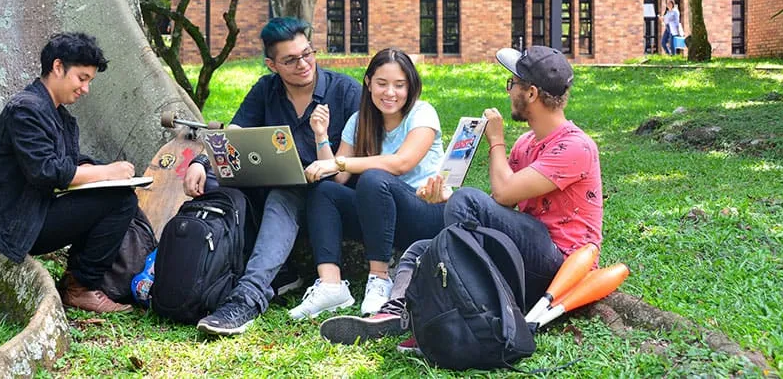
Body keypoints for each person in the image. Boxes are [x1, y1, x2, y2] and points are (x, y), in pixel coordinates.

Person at [319, 45, 603, 351]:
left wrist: (495, 141)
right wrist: (446, 196)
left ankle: (454, 313)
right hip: (523, 252)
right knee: (420, 249)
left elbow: (503, 193)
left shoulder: (576, 146)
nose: (509, 92)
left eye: (513, 84)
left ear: (531, 94)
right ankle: (396, 310)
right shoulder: (527, 143)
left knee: (467, 200)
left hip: (559, 261)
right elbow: (503, 206)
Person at [187, 17, 361, 336]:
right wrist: (201, 161)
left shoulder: (345, 91)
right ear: (272, 65)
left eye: (307, 53)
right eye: (290, 60)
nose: (303, 64)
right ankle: (272, 274)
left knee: (285, 193)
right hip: (277, 188)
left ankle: (247, 299)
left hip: (330, 201)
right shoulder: (266, 90)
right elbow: (236, 133)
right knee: (218, 183)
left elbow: (362, 157)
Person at [0, 32, 138, 313]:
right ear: (58, 67)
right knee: (120, 202)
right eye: (82, 78)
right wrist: (107, 172)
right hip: (13, 223)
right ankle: (80, 287)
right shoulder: (26, 109)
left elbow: (68, 161)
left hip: (34, 211)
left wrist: (100, 170)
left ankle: (79, 281)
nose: (85, 89)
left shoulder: (58, 114)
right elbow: (46, 171)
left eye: (89, 81)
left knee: (118, 194)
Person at [288, 48, 446, 319]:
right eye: (382, 84)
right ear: (368, 82)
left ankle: (380, 278)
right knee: (325, 190)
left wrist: (340, 163)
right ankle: (330, 285)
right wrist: (321, 137)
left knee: (374, 177)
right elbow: (337, 177)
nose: (390, 93)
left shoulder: (422, 113)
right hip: (382, 216)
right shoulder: (360, 120)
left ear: (411, 86)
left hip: (426, 210)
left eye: (399, 85)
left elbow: (400, 163)